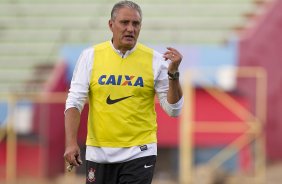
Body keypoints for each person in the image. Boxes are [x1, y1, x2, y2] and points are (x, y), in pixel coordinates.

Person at [64, 1, 184, 183]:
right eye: (124, 22)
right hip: (99, 153)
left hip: (139, 152)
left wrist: (173, 74)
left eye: (135, 24)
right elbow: (74, 102)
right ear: (111, 25)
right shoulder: (90, 56)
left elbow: (174, 110)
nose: (130, 29)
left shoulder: (156, 61)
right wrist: (71, 143)